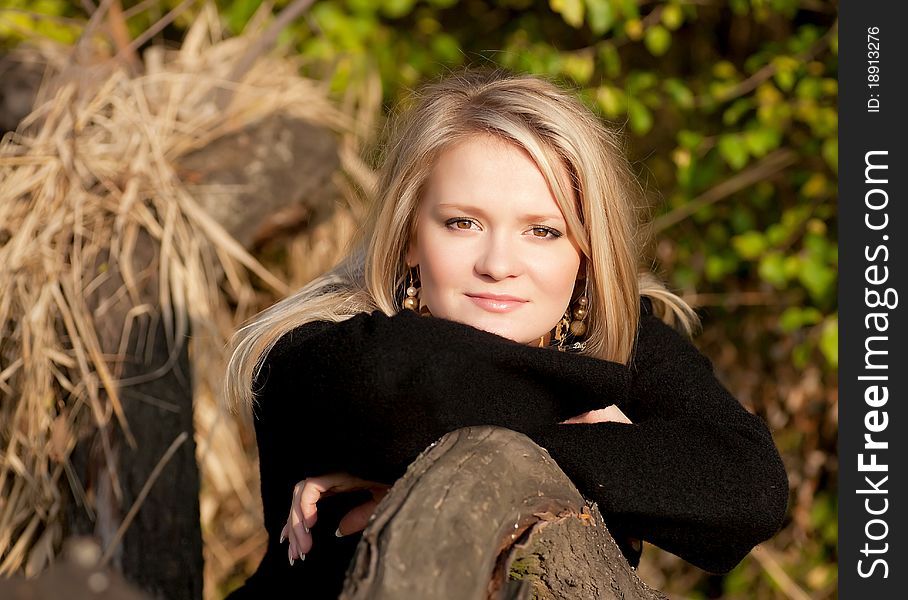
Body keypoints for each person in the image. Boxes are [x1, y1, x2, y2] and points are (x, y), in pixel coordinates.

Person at [224, 68, 788, 598]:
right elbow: (394, 389)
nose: (498, 264)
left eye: (542, 231)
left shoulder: (612, 330)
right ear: (408, 237)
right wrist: (607, 446)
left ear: (586, 254)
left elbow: (748, 491)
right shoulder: (315, 348)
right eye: (462, 223)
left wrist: (525, 456)